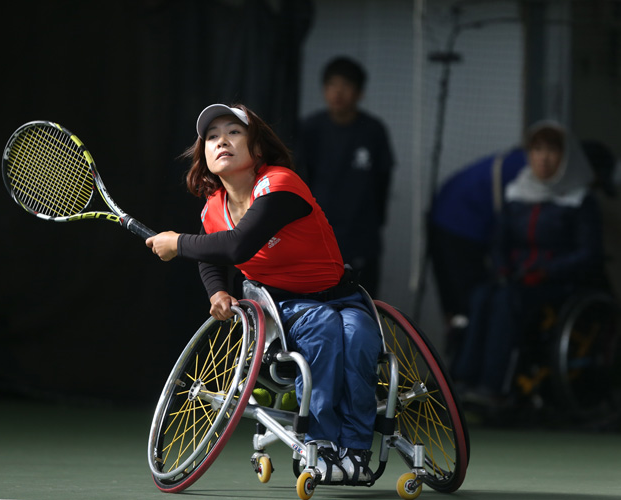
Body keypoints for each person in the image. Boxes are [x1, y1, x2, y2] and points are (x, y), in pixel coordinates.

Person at [146, 103, 383, 485]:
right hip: (281, 305)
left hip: (342, 296)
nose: (222, 140)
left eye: (234, 132)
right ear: (204, 157)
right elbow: (214, 253)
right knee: (321, 327)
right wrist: (217, 291)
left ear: (258, 149)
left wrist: (177, 243)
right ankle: (319, 444)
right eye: (211, 136)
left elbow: (237, 246)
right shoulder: (212, 210)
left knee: (359, 337)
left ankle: (355, 450)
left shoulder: (280, 183)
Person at [450, 121, 603, 406]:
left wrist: (547, 271)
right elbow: (499, 243)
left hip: (558, 284)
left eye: (552, 151)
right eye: (537, 150)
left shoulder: (580, 200)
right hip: (516, 279)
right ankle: (462, 379)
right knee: (483, 295)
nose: (543, 158)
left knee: (507, 301)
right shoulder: (517, 192)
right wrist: (502, 268)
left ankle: (493, 386)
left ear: (566, 156)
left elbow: (588, 253)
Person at [296, 56, 396, 297]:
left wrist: (374, 223)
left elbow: (383, 181)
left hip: (361, 237)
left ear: (360, 93)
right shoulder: (310, 129)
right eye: (331, 85)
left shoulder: (373, 131)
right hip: (317, 236)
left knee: (363, 305)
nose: (338, 93)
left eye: (346, 86)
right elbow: (298, 180)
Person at [428, 148, 527, 357]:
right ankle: (462, 363)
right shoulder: (522, 169)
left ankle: (460, 360)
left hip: (445, 215)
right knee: (468, 303)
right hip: (457, 225)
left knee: (463, 303)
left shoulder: (517, 163)